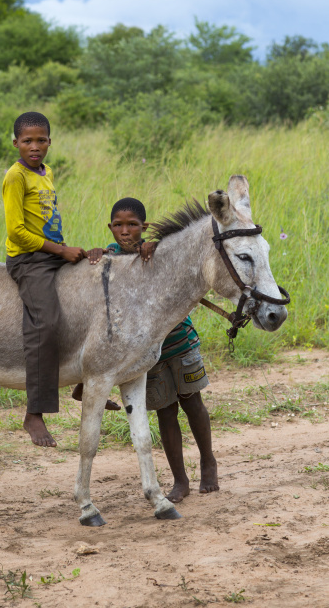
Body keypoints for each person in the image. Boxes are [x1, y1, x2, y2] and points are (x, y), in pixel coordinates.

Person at [76, 197, 219, 502]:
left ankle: (208, 462)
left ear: (146, 227)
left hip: (179, 341)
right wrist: (97, 254)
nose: (124, 231)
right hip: (141, 352)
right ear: (110, 228)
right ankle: (180, 480)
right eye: (118, 225)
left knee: (193, 404)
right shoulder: (111, 256)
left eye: (132, 225)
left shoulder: (158, 250)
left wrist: (152, 248)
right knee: (166, 413)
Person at [3, 111, 87, 448]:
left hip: (53, 253)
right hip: (29, 260)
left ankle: (84, 383)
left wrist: (66, 251)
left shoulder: (46, 171)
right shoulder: (15, 177)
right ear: (16, 144)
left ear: (50, 143)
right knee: (46, 322)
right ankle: (34, 412)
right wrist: (59, 252)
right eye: (27, 141)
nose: (34, 147)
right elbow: (17, 232)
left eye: (40, 141)